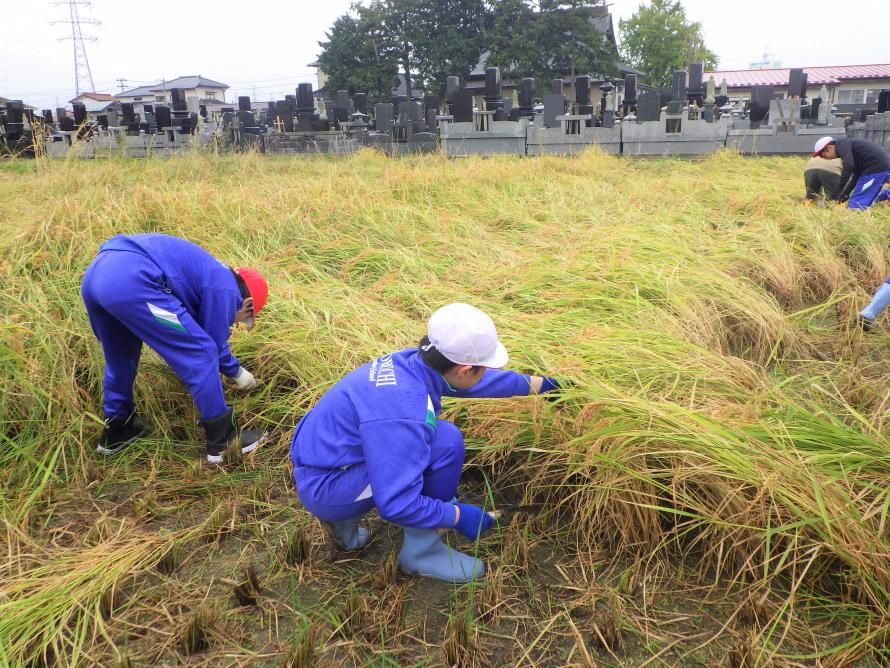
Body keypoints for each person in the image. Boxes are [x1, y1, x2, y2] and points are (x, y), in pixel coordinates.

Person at [289, 303, 561, 583]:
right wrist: (456, 515)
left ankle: (343, 523)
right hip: (327, 489)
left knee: (436, 439)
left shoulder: (411, 364)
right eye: (483, 367)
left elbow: (479, 382)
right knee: (445, 444)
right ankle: (422, 551)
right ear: (465, 369)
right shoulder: (406, 414)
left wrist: (542, 385)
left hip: (327, 461)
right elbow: (395, 504)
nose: (484, 373)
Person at [81, 233, 268, 463]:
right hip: (132, 280)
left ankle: (119, 429)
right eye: (242, 319)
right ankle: (224, 442)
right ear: (247, 304)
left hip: (97, 275)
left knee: (121, 357)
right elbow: (211, 343)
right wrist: (239, 374)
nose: (234, 322)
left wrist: (233, 371)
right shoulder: (227, 289)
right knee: (201, 352)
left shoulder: (210, 271)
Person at [812, 136, 890, 210]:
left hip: (876, 169)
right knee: (866, 195)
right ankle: (881, 202)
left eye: (822, 155)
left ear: (829, 147)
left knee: (856, 203)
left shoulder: (841, 145)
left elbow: (848, 166)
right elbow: (856, 175)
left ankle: (857, 218)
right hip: (881, 167)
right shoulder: (852, 149)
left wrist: (837, 192)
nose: (824, 158)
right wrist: (845, 194)